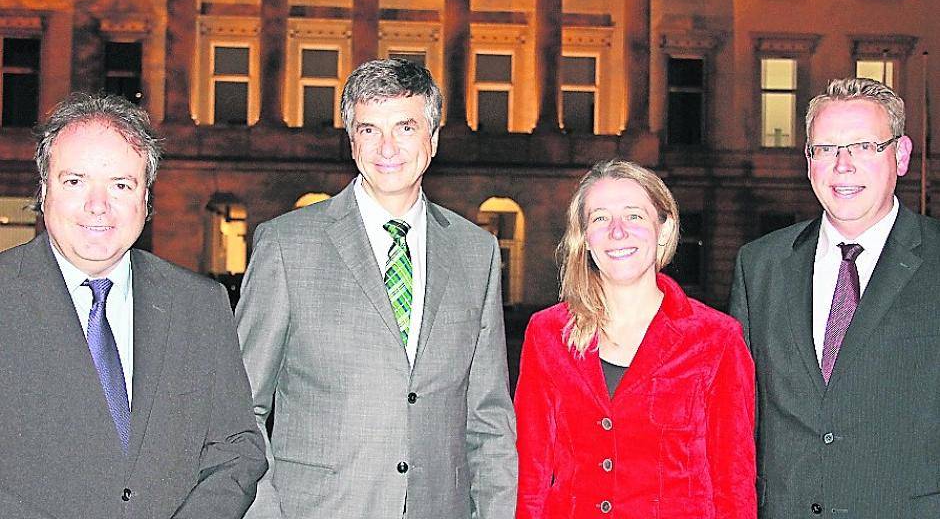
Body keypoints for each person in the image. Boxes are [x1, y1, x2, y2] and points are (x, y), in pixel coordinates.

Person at [236, 58, 517, 519]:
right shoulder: (287, 245)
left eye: (405, 127)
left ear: (434, 139)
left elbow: (488, 418)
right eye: (369, 129)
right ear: (352, 142)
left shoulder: (476, 252)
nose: (387, 147)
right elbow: (240, 408)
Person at [0, 93, 267, 518]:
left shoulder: (199, 305)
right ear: (44, 189)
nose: (98, 205)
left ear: (146, 199)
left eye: (121, 185)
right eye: (75, 181)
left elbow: (237, 448)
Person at [730, 77, 940, 518]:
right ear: (808, 161)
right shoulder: (760, 265)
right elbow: (739, 418)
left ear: (900, 156)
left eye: (865, 146)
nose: (843, 166)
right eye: (826, 149)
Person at [515, 159, 756, 518]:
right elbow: (528, 475)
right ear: (584, 238)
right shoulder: (548, 333)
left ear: (664, 228)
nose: (617, 232)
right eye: (600, 218)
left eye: (634, 216)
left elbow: (733, 483)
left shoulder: (716, 339)